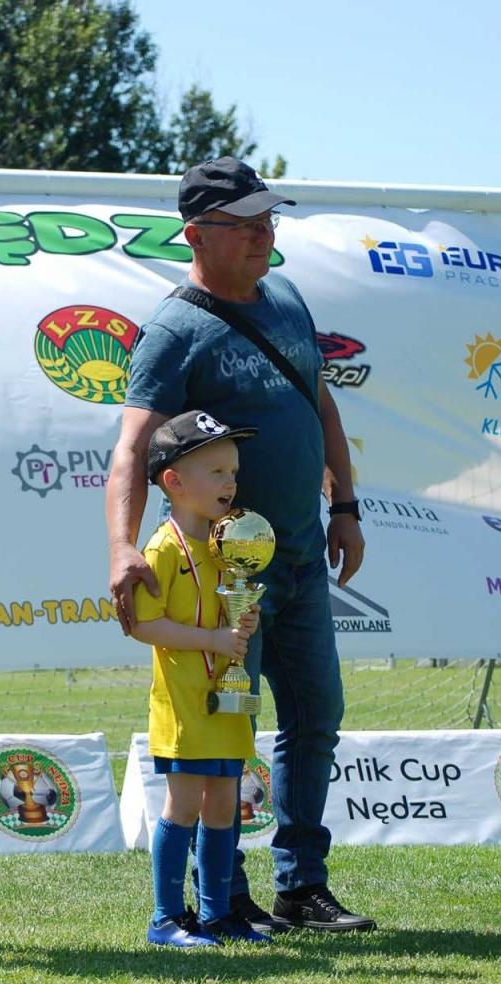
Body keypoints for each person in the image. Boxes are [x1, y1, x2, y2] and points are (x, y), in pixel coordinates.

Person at [106, 157, 376, 935]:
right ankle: (223, 896)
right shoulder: (173, 328)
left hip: (300, 557)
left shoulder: (287, 299)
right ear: (197, 234)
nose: (265, 234)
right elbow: (132, 449)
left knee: (317, 712)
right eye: (247, 223)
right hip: (226, 582)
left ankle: (302, 884)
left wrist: (347, 506)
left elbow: (321, 406)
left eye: (270, 220)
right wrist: (123, 546)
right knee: (229, 729)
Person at [130, 410, 268, 948]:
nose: (230, 482)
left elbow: (229, 612)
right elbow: (142, 623)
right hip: (185, 703)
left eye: (232, 472)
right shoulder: (163, 548)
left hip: (227, 699)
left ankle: (218, 914)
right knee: (184, 804)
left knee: (224, 804)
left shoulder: (227, 543)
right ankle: (166, 918)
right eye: (216, 471)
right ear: (174, 482)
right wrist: (212, 640)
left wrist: (242, 618)